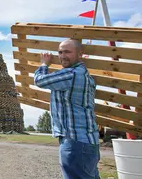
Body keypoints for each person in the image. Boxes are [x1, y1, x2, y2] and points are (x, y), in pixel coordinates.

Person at [34, 39, 100, 179]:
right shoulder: (88, 76)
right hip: (89, 142)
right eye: (60, 52)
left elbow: (39, 80)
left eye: (67, 52)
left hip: (75, 142)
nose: (63, 56)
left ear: (80, 54)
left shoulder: (71, 74)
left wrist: (44, 64)